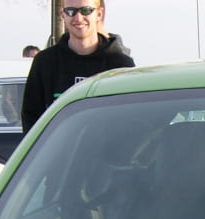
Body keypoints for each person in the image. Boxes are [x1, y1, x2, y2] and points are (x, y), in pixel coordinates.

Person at [22, 4, 135, 133]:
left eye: (86, 10)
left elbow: (130, 120)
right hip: (60, 151)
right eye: (70, 11)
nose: (78, 18)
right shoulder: (45, 62)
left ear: (99, 14)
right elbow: (31, 118)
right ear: (62, 15)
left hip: (107, 150)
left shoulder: (121, 65)